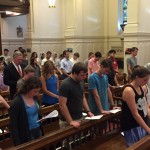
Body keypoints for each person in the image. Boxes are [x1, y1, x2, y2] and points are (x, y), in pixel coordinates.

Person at [120, 66, 150, 147]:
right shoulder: (129, 90)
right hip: (131, 124)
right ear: (137, 77)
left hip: (141, 122)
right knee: (134, 146)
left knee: (143, 145)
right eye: (145, 80)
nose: (146, 82)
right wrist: (148, 129)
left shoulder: (142, 87)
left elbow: (146, 107)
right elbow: (135, 114)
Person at [9, 77, 43, 146]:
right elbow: (13, 125)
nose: (37, 94)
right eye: (35, 91)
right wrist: (17, 143)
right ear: (28, 88)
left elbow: (36, 112)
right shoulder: (17, 102)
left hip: (38, 129)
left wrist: (41, 118)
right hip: (26, 133)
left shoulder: (35, 98)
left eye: (38, 91)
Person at [59, 62, 94, 128]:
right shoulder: (65, 84)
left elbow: (82, 97)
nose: (84, 77)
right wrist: (70, 121)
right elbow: (62, 105)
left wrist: (88, 111)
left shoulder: (81, 81)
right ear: (75, 73)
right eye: (82, 75)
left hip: (79, 116)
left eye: (85, 75)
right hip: (67, 120)